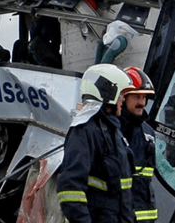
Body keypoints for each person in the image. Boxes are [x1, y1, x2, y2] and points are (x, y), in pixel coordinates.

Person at [57, 63, 136, 223]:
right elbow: (70, 190)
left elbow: (124, 196)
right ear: (108, 93)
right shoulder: (84, 131)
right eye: (121, 94)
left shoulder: (115, 133)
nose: (122, 99)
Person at [120, 67, 158, 222]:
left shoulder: (149, 134)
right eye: (136, 97)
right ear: (123, 97)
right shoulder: (109, 130)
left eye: (144, 97)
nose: (142, 103)